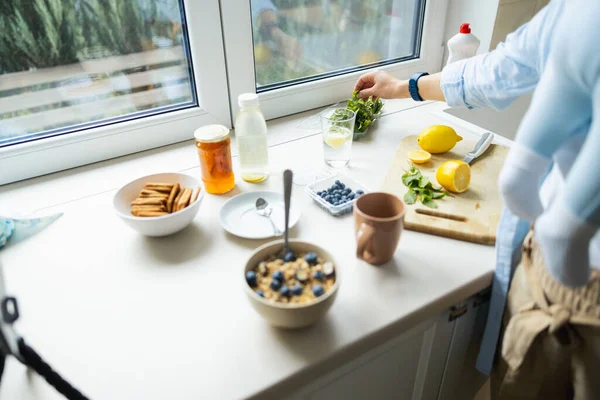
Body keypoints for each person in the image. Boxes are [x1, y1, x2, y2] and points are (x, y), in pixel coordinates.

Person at [354, 0, 600, 398]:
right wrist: (403, 87)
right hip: (546, 274)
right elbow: (498, 70)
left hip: (578, 287)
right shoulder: (578, 10)